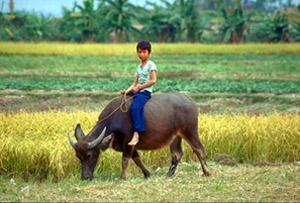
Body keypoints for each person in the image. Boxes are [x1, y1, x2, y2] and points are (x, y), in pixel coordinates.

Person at [120, 40, 158, 146]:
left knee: (135, 107)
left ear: (149, 53)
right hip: (137, 90)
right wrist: (126, 91)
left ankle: (137, 134)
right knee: (123, 101)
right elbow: (134, 83)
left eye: (144, 52)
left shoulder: (151, 65)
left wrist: (140, 87)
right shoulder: (139, 66)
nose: (141, 54)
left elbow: (153, 80)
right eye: (139, 52)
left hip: (145, 92)